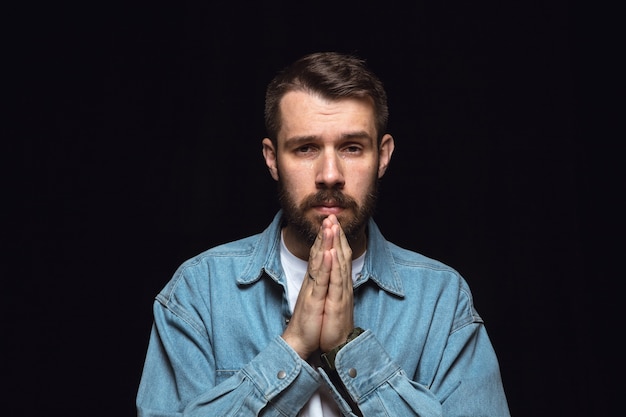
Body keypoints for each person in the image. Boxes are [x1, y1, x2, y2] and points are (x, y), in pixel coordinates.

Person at [136, 51, 510, 417]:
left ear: (382, 156)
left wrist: (350, 351)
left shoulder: (441, 302)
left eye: (351, 148)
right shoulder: (198, 293)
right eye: (306, 148)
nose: (329, 174)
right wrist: (293, 345)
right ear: (272, 159)